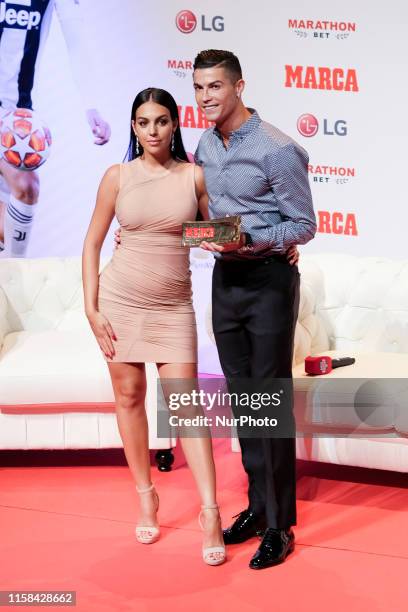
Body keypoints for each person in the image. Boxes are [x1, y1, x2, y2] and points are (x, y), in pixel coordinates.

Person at [82, 87, 226, 566]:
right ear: (133, 127)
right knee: (129, 398)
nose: (152, 131)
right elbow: (92, 244)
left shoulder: (194, 176)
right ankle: (146, 496)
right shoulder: (116, 176)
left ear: (174, 125)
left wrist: (180, 232)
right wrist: (91, 308)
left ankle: (210, 511)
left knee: (186, 407)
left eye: (161, 121)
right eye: (143, 123)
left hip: (172, 307)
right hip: (119, 300)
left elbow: (222, 233)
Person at [193, 49, 317, 570]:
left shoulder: (277, 148)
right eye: (199, 88)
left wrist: (257, 240)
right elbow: (207, 215)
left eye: (215, 87)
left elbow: (304, 225)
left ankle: (281, 526)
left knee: (270, 401)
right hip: (227, 282)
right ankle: (257, 508)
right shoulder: (204, 143)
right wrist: (210, 236)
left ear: (239, 86)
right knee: (244, 401)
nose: (205, 98)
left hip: (268, 281)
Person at [0, 0, 111, 257]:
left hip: (18, 121)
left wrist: (91, 105)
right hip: (11, 125)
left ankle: (12, 277)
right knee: (27, 184)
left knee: (9, 221)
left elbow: (76, 38)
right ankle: (19, 274)